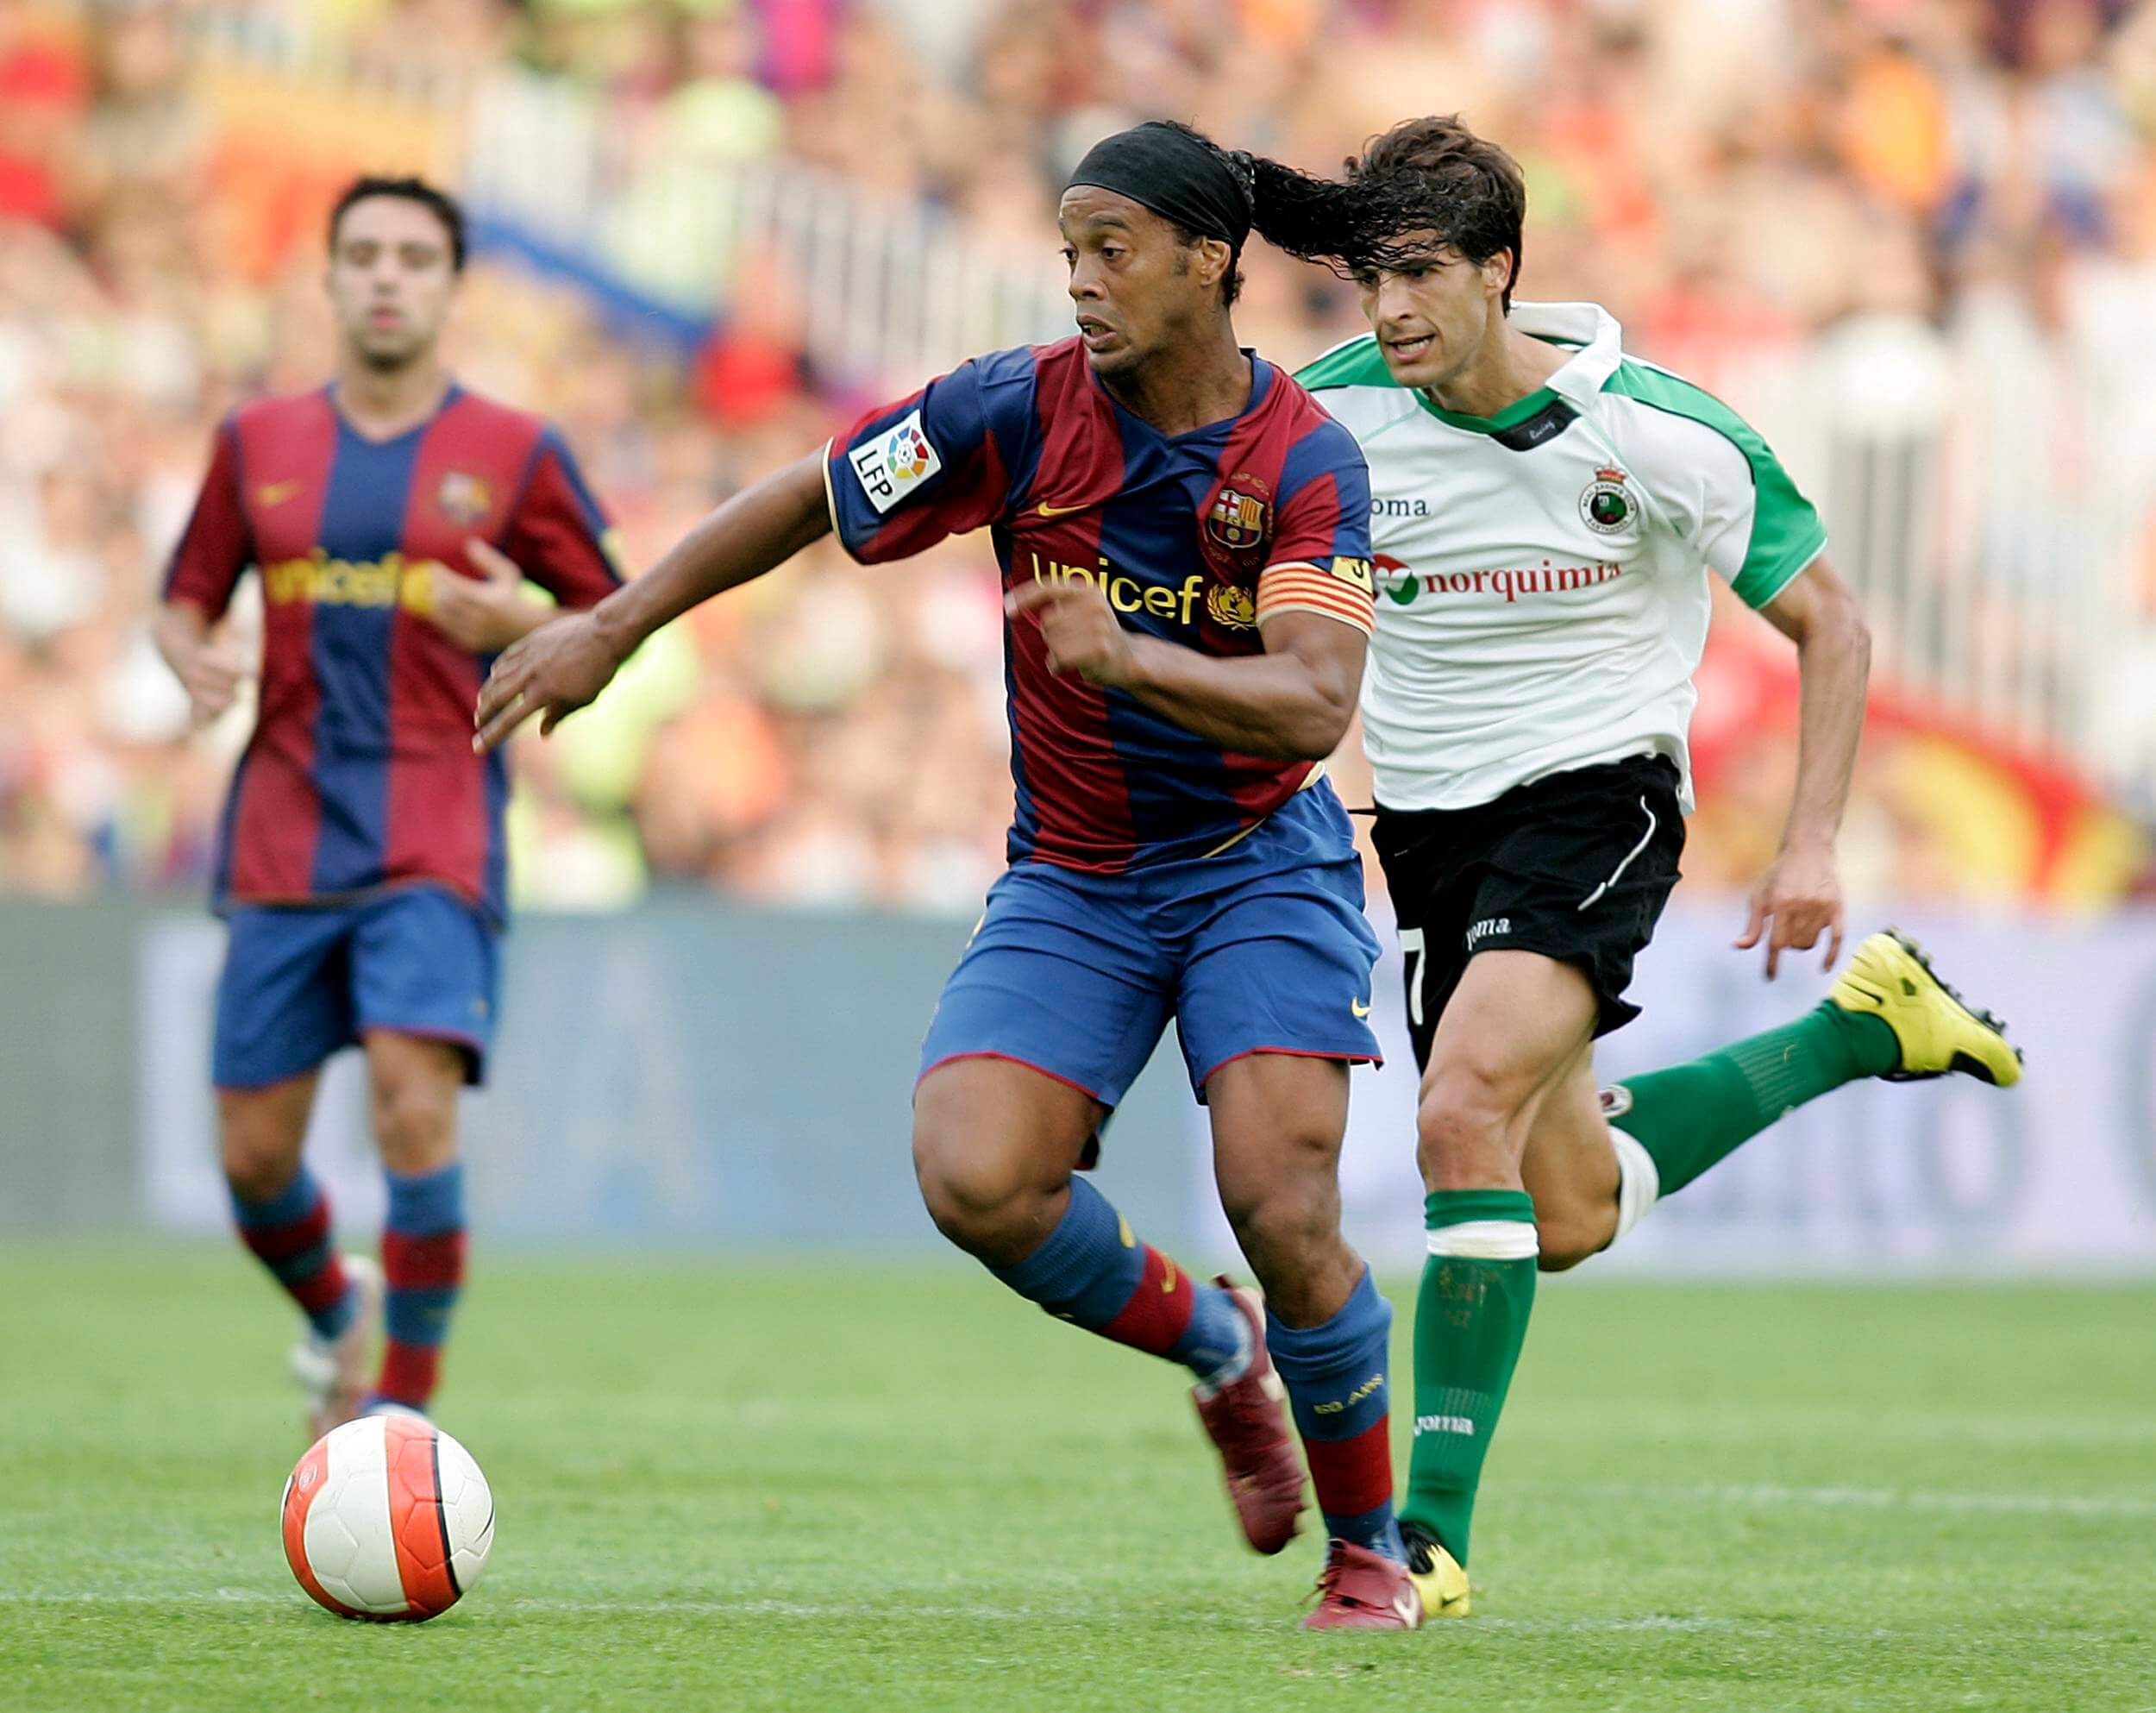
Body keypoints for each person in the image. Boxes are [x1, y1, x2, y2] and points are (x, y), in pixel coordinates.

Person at [476, 121, 1422, 1628]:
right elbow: (807, 491)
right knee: (973, 1173)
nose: (1084, 283)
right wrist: (612, 624)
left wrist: (1139, 659)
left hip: (1259, 863)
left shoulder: (1306, 457)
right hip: (1081, 875)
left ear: (1209, 261)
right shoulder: (1012, 410)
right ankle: (1216, 1351)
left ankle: (1374, 1549)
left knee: (1279, 1190)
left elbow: (1318, 699)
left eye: (1113, 250)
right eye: (1069, 252)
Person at [1294, 116, 2022, 1617]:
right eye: (1370, 279)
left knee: (1458, 1107)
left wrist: (1812, 833)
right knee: (1561, 1210)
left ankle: (1420, 1541)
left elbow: (1834, 620)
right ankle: (1863, 1029)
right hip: (1427, 833)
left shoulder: (1659, 429)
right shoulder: (1325, 420)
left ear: (1501, 270)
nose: (1391, 310)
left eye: (1422, 272)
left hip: (1597, 801)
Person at [156, 175, 626, 1435]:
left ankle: (396, 1422)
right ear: (328, 279)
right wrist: (186, 646)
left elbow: (611, 619)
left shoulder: (515, 452)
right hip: (282, 822)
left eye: (413, 257)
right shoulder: (256, 443)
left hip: (435, 817)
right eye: (362, 253)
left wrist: (518, 617)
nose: (385, 276)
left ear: (450, 286)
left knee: (413, 1101)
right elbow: (184, 591)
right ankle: (332, 1312)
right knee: (255, 1163)